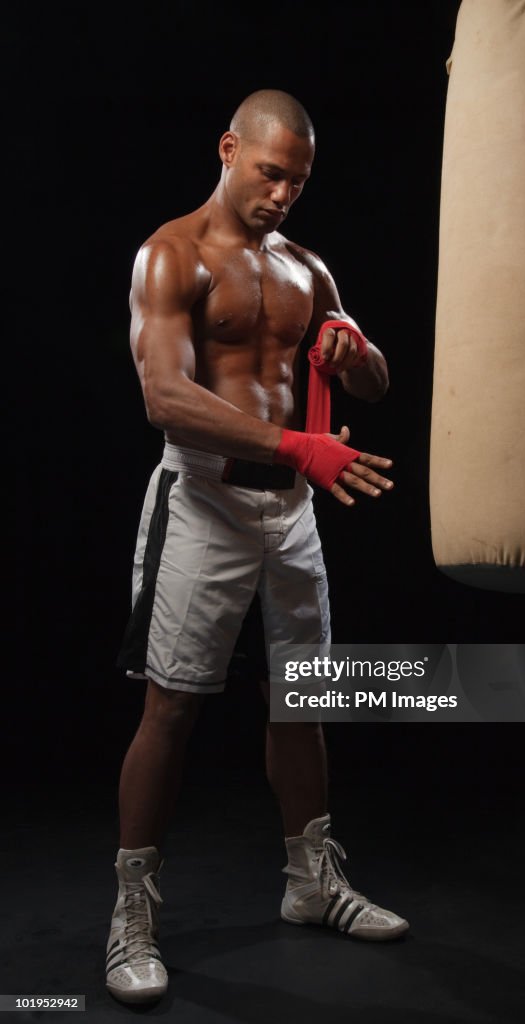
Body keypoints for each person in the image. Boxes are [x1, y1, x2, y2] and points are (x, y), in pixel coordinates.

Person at [106, 89, 409, 1006]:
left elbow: (377, 375)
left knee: (303, 702)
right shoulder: (173, 254)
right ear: (231, 149)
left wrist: (356, 361)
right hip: (202, 503)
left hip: (291, 514)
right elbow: (165, 397)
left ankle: (311, 883)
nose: (282, 194)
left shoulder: (308, 267)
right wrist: (297, 446)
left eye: (299, 181)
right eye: (271, 172)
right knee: (172, 709)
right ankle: (131, 916)